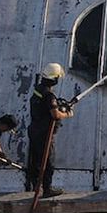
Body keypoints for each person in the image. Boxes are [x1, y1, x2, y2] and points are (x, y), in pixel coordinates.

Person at [27, 62, 74, 197]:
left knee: (36, 161)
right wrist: (67, 113)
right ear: (54, 79)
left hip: (34, 130)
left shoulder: (38, 90)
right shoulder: (49, 95)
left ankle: (36, 187)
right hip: (45, 134)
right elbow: (55, 115)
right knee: (48, 162)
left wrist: (58, 105)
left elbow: (44, 107)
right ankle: (47, 190)